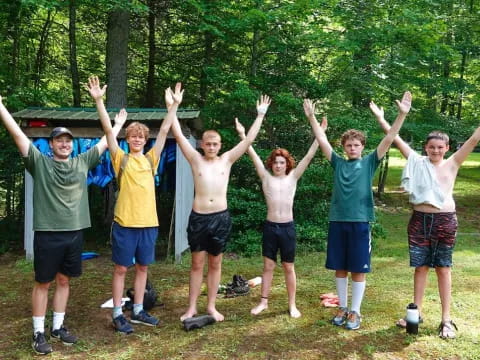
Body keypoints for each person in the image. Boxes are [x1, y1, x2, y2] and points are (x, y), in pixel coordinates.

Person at [0, 94, 125, 354]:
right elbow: (18, 136)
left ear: (72, 145)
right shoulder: (39, 163)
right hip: (47, 233)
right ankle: (38, 333)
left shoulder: (82, 162)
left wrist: (117, 126)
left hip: (74, 234)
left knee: (64, 281)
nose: (65, 144)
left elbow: (105, 143)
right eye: (59, 140)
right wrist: (1, 108)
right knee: (43, 283)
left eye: (68, 141)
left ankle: (58, 327)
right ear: (51, 145)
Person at [370, 101, 480, 339]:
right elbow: (395, 137)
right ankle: (416, 313)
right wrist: (383, 118)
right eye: (431, 147)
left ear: (447, 148)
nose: (436, 151)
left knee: (443, 268)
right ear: (425, 147)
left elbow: (473, 140)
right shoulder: (417, 161)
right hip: (419, 220)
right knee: (420, 268)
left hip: (445, 221)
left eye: (440, 147)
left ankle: (446, 319)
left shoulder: (453, 163)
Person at [304, 91, 411, 330]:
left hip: (360, 222)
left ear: (362, 147)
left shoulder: (370, 161)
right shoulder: (338, 162)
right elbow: (321, 140)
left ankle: (356, 312)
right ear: (343, 147)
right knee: (340, 268)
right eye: (348, 145)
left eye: (356, 145)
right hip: (338, 221)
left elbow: (390, 136)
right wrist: (312, 117)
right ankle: (342, 308)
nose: (352, 148)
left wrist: (401, 115)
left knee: (357, 269)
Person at [167, 86, 271, 322]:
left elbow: (250, 140)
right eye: (208, 143)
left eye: (215, 144)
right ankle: (192, 307)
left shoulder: (227, 159)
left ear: (220, 145)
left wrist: (260, 115)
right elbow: (178, 134)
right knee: (196, 264)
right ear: (202, 145)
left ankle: (212, 306)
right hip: (199, 218)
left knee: (216, 263)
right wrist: (174, 106)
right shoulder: (195, 159)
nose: (211, 147)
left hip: (220, 219)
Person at [87, 76, 177, 334]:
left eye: (141, 137)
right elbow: (107, 131)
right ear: (127, 139)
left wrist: (173, 107)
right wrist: (99, 101)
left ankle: (137, 310)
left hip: (148, 224)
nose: (137, 139)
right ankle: (118, 313)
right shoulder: (120, 158)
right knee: (120, 268)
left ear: (145, 141)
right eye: (133, 136)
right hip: (125, 223)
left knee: (143, 268)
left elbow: (164, 131)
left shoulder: (151, 159)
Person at [236, 115, 326, 318]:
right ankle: (263, 302)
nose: (278, 165)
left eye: (282, 162)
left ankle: (292, 304)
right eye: (275, 162)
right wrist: (243, 135)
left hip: (287, 228)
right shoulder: (265, 177)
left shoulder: (293, 177)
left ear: (287, 164)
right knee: (268, 266)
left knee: (288, 266)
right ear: (271, 164)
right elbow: (252, 153)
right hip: (270, 227)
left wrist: (319, 134)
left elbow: (309, 156)